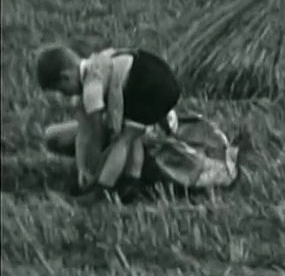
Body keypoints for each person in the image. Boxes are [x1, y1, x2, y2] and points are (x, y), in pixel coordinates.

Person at [36, 44, 181, 197]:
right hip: (155, 76)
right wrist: (82, 167)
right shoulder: (96, 63)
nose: (64, 95)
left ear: (66, 77)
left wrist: (94, 170)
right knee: (133, 131)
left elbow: (95, 131)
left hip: (150, 87)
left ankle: (104, 188)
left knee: (124, 138)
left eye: (62, 90)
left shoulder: (91, 89)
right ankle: (131, 180)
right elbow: (83, 131)